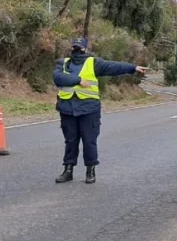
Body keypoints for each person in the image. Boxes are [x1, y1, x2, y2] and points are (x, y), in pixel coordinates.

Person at [52, 37, 147, 184]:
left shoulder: (93, 63)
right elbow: (58, 78)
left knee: (89, 141)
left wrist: (132, 67)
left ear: (85, 49)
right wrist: (78, 81)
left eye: (79, 48)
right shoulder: (62, 63)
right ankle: (68, 170)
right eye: (74, 47)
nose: (77, 50)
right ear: (71, 48)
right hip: (67, 108)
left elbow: (113, 67)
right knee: (70, 141)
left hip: (89, 109)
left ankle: (90, 171)